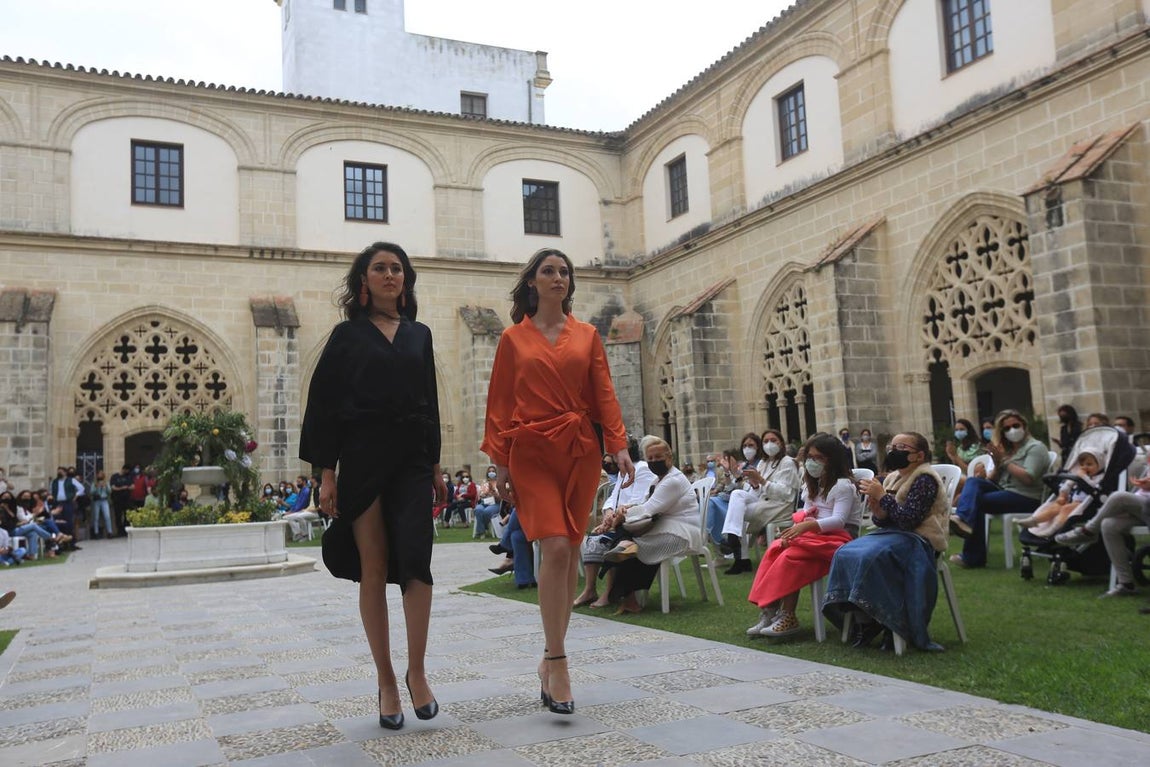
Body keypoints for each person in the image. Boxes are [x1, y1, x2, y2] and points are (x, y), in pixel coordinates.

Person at [300, 241, 446, 731]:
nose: (389, 275)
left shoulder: (420, 334)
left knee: (417, 559)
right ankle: (386, 681)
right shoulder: (346, 336)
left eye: (396, 268)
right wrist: (326, 472)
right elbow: (324, 404)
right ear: (363, 281)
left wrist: (436, 464)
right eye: (379, 268)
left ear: (405, 280)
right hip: (362, 456)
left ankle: (417, 671)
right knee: (374, 566)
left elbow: (430, 400)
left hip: (412, 458)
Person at [482, 247, 634, 716]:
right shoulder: (513, 338)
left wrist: (618, 444)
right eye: (548, 271)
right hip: (531, 451)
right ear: (532, 281)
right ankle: (559, 661)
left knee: (567, 551)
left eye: (564, 271)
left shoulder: (587, 335)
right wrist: (500, 463)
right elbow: (499, 402)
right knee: (555, 545)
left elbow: (604, 392)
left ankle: (550, 656)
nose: (558, 277)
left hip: (578, 451)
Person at [823, 432, 950, 651]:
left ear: (919, 455)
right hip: (892, 536)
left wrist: (883, 497)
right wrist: (878, 511)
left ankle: (892, 623)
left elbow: (909, 520)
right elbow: (884, 520)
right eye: (892, 447)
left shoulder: (925, 479)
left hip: (919, 540)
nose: (894, 452)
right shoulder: (892, 478)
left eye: (902, 448)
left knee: (870, 557)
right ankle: (864, 620)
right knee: (845, 552)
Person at [745, 433, 859, 639]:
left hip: (837, 538)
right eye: (810, 457)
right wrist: (796, 529)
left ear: (832, 460)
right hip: (814, 536)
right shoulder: (812, 484)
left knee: (791, 558)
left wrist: (807, 526)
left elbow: (839, 520)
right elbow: (805, 511)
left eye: (819, 458)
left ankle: (788, 615)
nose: (812, 462)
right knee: (776, 548)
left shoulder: (842, 486)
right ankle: (770, 610)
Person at [598, 436, 699, 614]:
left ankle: (627, 597)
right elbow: (644, 504)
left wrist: (620, 517)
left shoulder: (673, 481)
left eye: (658, 457)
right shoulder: (658, 480)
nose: (654, 461)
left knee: (631, 545)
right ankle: (628, 597)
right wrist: (624, 509)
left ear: (669, 457)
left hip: (680, 533)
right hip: (663, 528)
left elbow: (648, 509)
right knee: (628, 540)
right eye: (650, 458)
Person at [950, 409, 1050, 568]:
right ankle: (962, 520)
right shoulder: (1007, 449)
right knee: (974, 482)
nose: (1012, 430)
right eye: (1007, 428)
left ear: (1024, 426)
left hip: (1026, 496)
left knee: (977, 502)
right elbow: (993, 479)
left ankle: (971, 553)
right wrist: (996, 464)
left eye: (1016, 425)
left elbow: (1028, 478)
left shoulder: (1035, 448)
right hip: (1005, 491)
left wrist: (1003, 461)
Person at [573, 441, 654, 608]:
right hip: (618, 520)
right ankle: (589, 589)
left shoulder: (642, 469)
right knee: (594, 538)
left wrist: (614, 518)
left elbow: (638, 501)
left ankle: (609, 593)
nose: (611, 457)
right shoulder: (622, 472)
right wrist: (608, 512)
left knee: (604, 540)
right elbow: (612, 498)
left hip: (634, 524)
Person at [1056, 459, 1150, 598]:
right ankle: (1126, 584)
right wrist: (1145, 484)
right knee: (1108, 525)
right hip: (1142, 508)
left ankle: (1088, 531)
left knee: (1118, 497)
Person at [722, 429, 801, 574]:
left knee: (738, 512)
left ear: (781, 443)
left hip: (780, 506)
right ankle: (733, 536)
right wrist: (755, 484)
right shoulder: (763, 463)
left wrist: (762, 481)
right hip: (765, 502)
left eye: (773, 440)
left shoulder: (787, 462)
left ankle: (738, 551)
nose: (769, 444)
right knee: (737, 494)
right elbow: (759, 493)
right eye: (766, 441)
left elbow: (786, 494)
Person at [1013, 451, 1102, 538]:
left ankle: (1053, 529)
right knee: (1054, 506)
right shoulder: (1079, 475)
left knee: (1065, 509)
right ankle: (1034, 521)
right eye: (1082, 465)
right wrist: (1063, 494)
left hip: (1087, 505)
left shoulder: (1099, 478)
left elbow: (1095, 487)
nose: (1085, 467)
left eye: (1089, 464)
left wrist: (1083, 477)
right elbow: (1067, 485)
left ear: (1099, 465)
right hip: (1072, 501)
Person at [110, 464, 133, 536]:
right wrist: (122, 488)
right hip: (117, 499)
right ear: (124, 469)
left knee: (127, 516)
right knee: (118, 516)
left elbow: (133, 486)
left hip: (126, 499)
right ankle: (119, 531)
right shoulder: (115, 477)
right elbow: (113, 487)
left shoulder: (128, 477)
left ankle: (126, 530)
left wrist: (128, 487)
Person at [90, 471, 113, 539]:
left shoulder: (106, 482)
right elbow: (91, 492)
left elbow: (109, 491)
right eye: (98, 474)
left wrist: (105, 486)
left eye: (101, 474)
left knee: (107, 516)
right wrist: (97, 487)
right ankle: (96, 532)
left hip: (104, 500)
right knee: (96, 517)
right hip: (97, 501)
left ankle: (109, 532)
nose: (100, 476)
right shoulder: (94, 483)